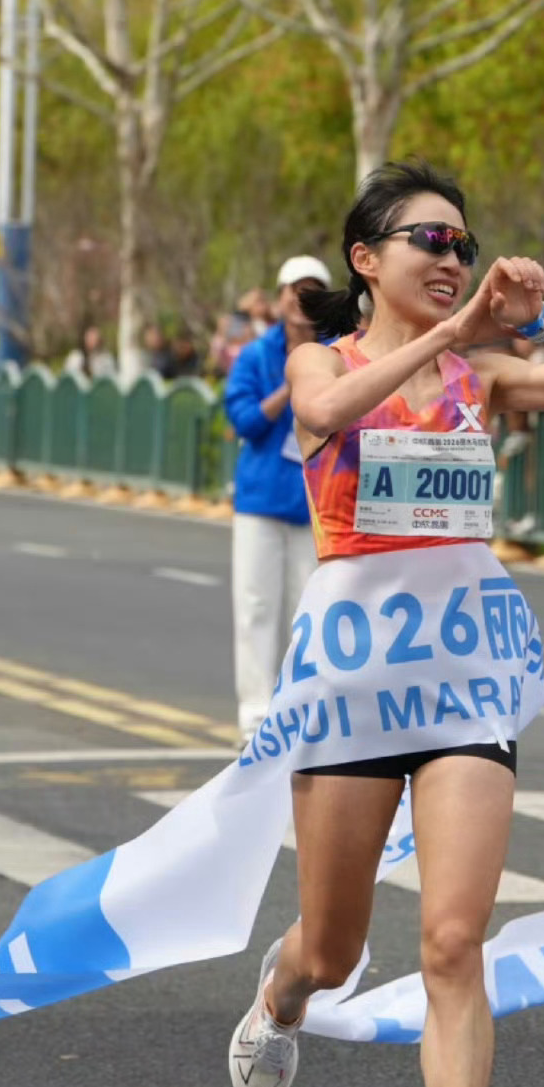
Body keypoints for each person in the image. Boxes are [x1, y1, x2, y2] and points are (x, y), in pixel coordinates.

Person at [226, 161, 544, 1087]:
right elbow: (318, 416)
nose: (451, 254)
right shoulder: (327, 358)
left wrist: (538, 317)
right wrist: (454, 324)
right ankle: (282, 992)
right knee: (337, 946)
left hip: (465, 685)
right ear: (367, 259)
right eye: (426, 238)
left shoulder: (479, 375)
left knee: (454, 940)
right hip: (356, 684)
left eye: (462, 239)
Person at [224, 255, 333, 743]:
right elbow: (244, 422)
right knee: (255, 608)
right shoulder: (255, 356)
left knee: (309, 614)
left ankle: (303, 713)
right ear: (280, 296)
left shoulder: (339, 354)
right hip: (262, 503)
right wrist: (291, 390)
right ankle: (255, 718)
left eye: (312, 290)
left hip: (316, 505)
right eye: (294, 289)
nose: (300, 298)